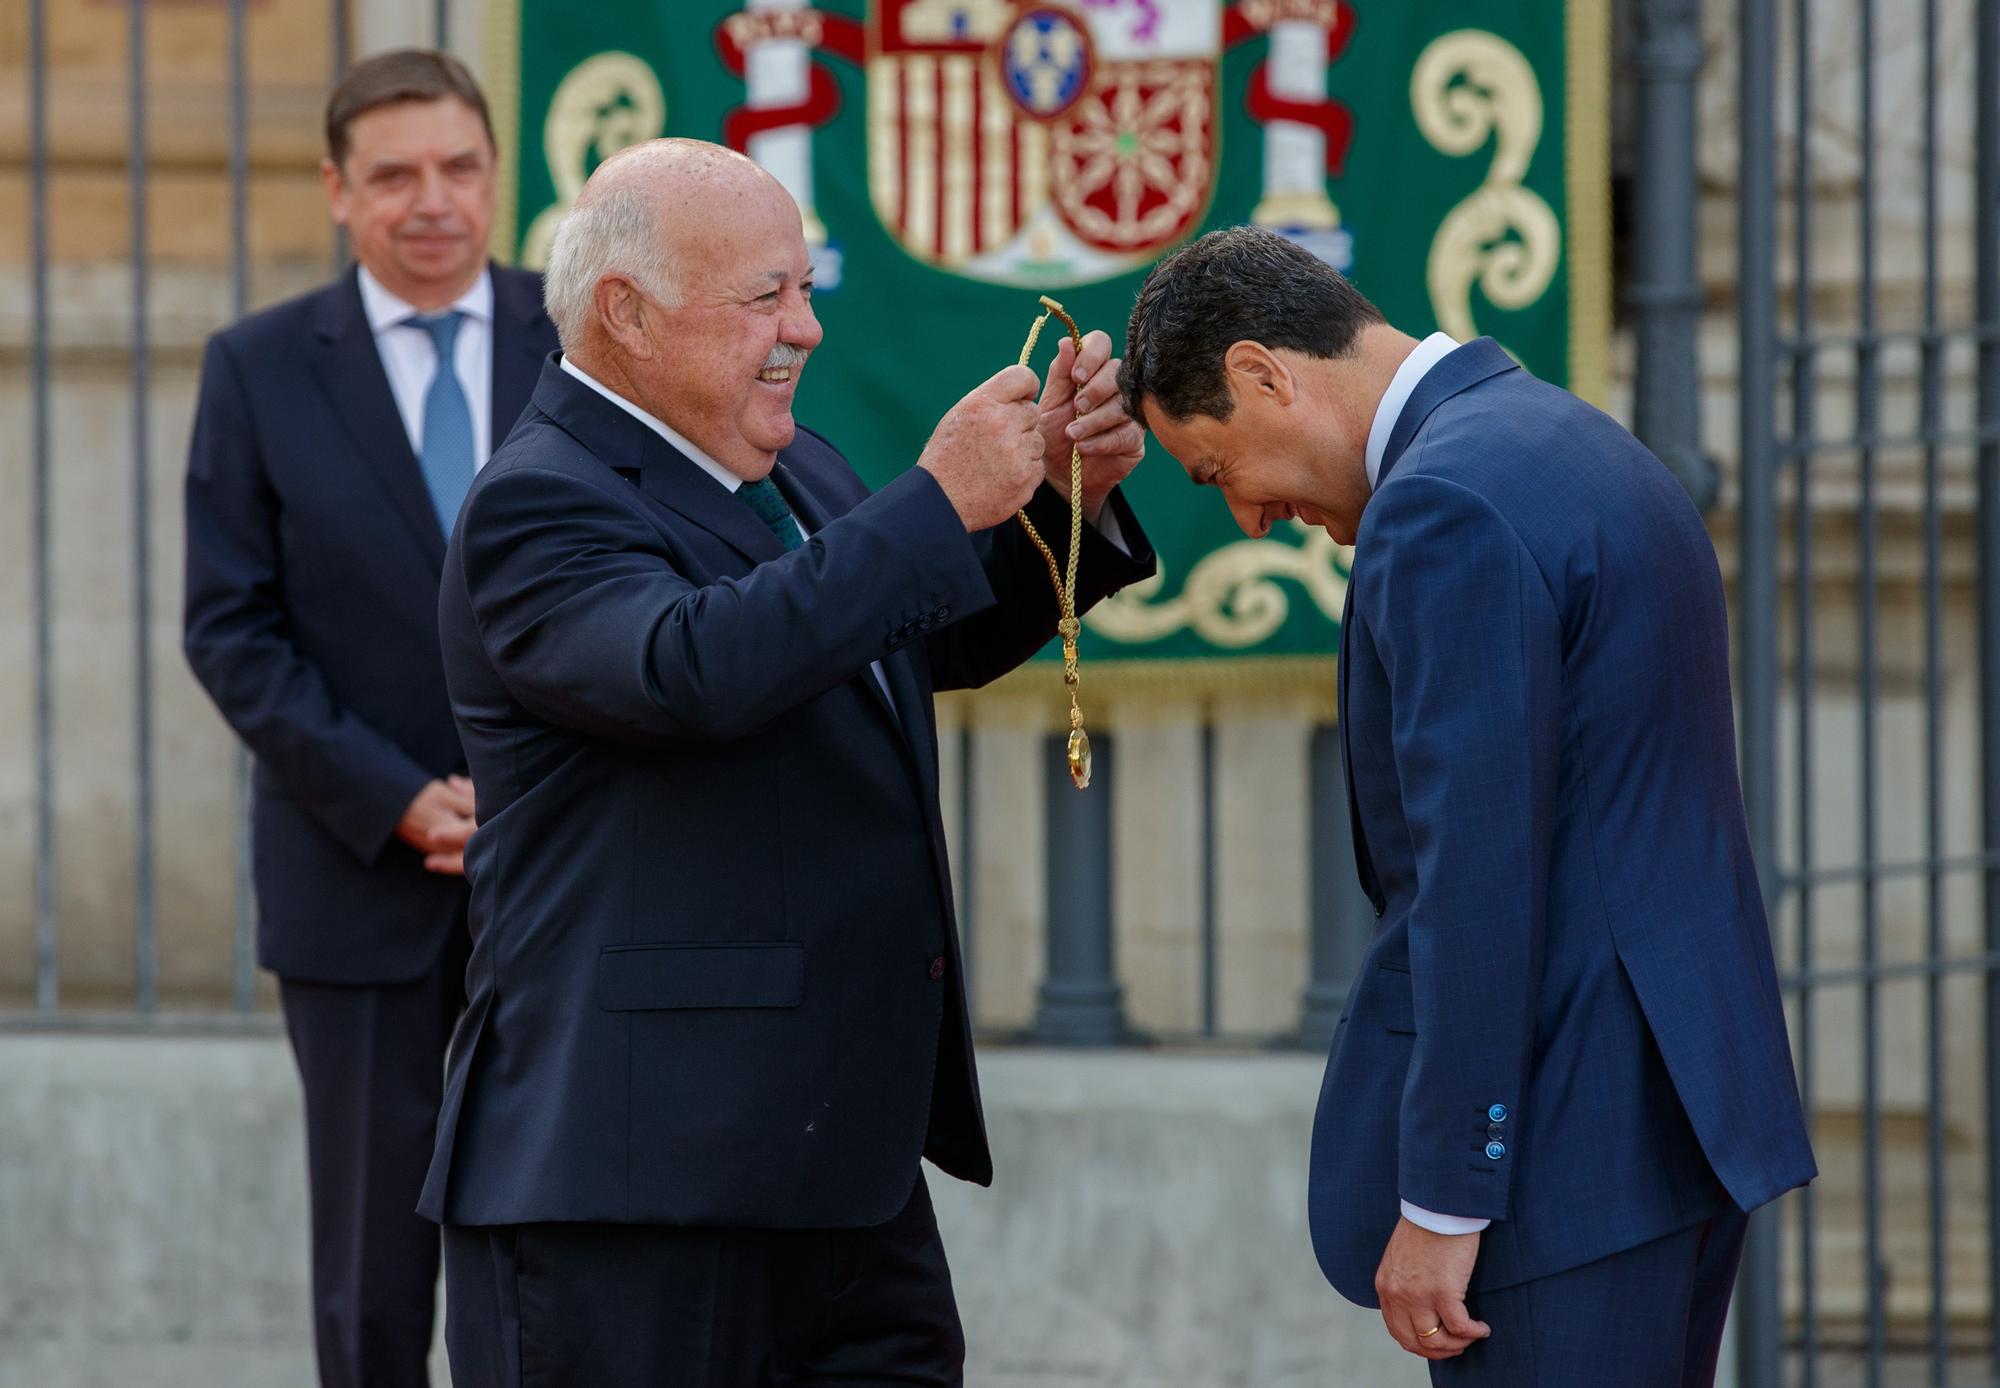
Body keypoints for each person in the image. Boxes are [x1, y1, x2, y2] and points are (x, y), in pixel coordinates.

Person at [419, 137, 1154, 1386]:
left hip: (841, 1177)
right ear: (626, 315)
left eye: (805, 289)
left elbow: (893, 644)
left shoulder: (796, 465)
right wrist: (932, 501)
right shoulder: (537, 501)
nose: (803, 330)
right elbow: (690, 670)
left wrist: (1052, 501)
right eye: (766, 295)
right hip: (635, 1193)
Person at [1119, 226, 1815, 1387]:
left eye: (1214, 467)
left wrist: (1446, 1193)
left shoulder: (1439, 505)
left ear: (1260, 374)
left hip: (1562, 1159)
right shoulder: (1561, 436)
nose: (1243, 515)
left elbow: (1477, 878)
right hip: (1673, 1121)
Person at [181, 49, 557, 1388]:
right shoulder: (260, 368)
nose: (433, 200)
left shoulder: (581, 343)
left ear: (495, 178)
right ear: (339, 192)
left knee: (557, 1255)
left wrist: (539, 795)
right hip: (359, 882)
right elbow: (229, 629)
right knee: (373, 1281)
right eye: (394, 175)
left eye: (459, 167)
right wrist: (394, 795)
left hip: (568, 874)